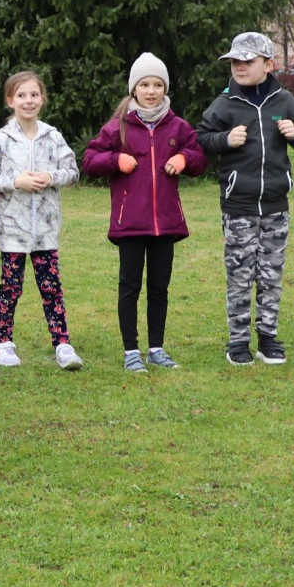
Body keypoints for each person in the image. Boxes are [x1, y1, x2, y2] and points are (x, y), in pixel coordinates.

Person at [81, 52, 207, 371]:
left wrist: (184, 159)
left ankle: (156, 348)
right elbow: (90, 161)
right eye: (145, 85)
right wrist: (115, 160)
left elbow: (199, 158)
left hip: (166, 224)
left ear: (165, 89)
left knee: (159, 288)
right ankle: (131, 352)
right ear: (134, 89)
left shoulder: (178, 126)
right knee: (130, 287)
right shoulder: (118, 128)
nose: (151, 91)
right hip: (131, 224)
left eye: (158, 85)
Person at [196, 32, 294, 366]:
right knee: (240, 275)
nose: (240, 67)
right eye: (235, 61)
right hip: (239, 207)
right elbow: (201, 138)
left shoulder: (284, 100)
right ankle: (238, 342)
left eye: (247, 61)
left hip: (276, 206)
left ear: (268, 64)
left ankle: (268, 339)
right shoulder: (225, 103)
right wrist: (225, 139)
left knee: (271, 275)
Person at [0, 70, 83, 370]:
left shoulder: (53, 137)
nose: (28, 101)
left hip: (46, 229)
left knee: (51, 286)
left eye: (34, 95)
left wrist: (51, 177)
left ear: (43, 99)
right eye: (21, 95)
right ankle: (1, 343)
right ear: (10, 100)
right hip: (12, 228)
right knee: (11, 286)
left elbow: (72, 172)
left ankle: (62, 343)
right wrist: (16, 182)